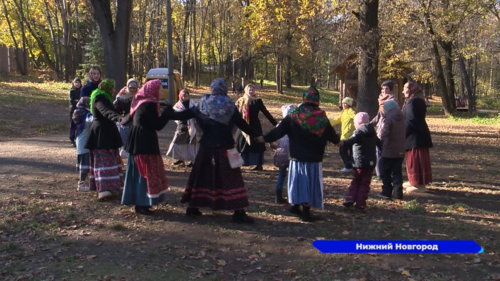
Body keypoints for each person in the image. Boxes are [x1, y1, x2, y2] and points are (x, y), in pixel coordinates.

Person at [168, 78, 260, 223]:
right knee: (233, 178)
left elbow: (183, 115)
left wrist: (165, 112)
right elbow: (242, 124)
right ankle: (238, 211)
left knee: (201, 175)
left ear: (212, 88)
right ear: (224, 88)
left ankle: (193, 207)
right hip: (228, 146)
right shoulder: (230, 104)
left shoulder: (203, 103)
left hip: (206, 147)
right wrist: (257, 136)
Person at [259, 88, 340, 222]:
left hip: (297, 157)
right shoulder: (320, 116)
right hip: (314, 157)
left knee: (298, 182)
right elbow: (330, 133)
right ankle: (306, 213)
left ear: (304, 98)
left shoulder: (294, 115)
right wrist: (338, 142)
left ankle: (295, 206)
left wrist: (264, 138)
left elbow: (279, 131)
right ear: (317, 100)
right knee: (309, 184)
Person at [121, 80, 171, 215]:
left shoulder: (140, 101)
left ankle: (141, 202)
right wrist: (167, 113)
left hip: (137, 141)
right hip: (144, 141)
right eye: (159, 89)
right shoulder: (149, 104)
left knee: (138, 171)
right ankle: (142, 203)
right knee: (145, 172)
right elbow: (157, 125)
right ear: (153, 90)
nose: (161, 92)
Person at [85, 79, 124, 200]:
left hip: (108, 132)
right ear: (107, 88)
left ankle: (112, 188)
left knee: (111, 159)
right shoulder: (99, 98)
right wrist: (118, 118)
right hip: (101, 134)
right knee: (104, 160)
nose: (114, 90)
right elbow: (105, 111)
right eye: (112, 88)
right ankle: (103, 189)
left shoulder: (106, 98)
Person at [341, 112, 379, 213]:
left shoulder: (358, 132)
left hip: (358, 162)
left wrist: (342, 143)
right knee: (365, 183)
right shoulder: (372, 132)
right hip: (370, 163)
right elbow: (379, 143)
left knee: (356, 181)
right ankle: (361, 204)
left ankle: (350, 198)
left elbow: (351, 141)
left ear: (357, 122)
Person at [236, 84, 277, 170]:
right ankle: (238, 163)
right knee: (241, 143)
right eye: (249, 90)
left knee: (257, 143)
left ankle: (258, 164)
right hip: (243, 126)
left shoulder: (257, 101)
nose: (251, 92)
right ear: (245, 90)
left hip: (255, 126)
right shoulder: (240, 101)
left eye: (252, 90)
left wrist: (275, 123)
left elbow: (266, 112)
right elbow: (235, 114)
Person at [402, 81, 433, 193]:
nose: (402, 91)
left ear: (411, 90)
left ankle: (418, 185)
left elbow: (411, 121)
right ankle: (413, 181)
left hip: (415, 137)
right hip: (418, 135)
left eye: (405, 88)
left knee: (416, 160)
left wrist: (402, 133)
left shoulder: (412, 102)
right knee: (414, 160)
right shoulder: (416, 100)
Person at [376, 100, 406, 200]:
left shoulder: (389, 119)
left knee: (386, 172)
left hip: (389, 150)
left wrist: (379, 142)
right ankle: (398, 194)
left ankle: (386, 192)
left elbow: (383, 134)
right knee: (397, 172)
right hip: (400, 149)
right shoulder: (402, 118)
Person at [370, 80, 397, 181]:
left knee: (385, 152)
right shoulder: (381, 100)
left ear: (390, 90)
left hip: (389, 129)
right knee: (379, 151)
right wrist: (368, 124)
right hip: (381, 128)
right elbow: (378, 116)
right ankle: (380, 174)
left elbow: (391, 116)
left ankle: (385, 174)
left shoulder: (393, 101)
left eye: (387, 89)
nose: (384, 90)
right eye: (383, 88)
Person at [270, 105, 294, 204]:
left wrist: (274, 145)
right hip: (292, 153)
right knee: (292, 176)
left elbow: (272, 136)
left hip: (281, 153)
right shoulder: (295, 124)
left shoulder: (280, 124)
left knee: (281, 174)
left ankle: (278, 196)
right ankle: (292, 196)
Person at [167, 89, 198, 167]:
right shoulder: (177, 105)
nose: (185, 97)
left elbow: (196, 112)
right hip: (182, 126)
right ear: (180, 96)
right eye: (183, 96)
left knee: (191, 144)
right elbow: (175, 114)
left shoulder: (193, 104)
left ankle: (193, 161)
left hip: (192, 127)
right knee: (177, 143)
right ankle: (181, 159)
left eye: (187, 95)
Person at [114, 78, 139, 158]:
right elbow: (116, 106)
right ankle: (123, 150)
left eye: (134, 88)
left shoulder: (139, 94)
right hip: (124, 117)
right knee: (123, 135)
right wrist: (120, 115)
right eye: (131, 87)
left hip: (135, 119)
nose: (132, 90)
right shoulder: (122, 94)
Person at [72, 97, 93, 192]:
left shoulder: (78, 112)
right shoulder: (85, 114)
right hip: (84, 141)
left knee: (84, 162)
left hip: (81, 140)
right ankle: (81, 184)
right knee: (84, 163)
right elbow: (91, 121)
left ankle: (84, 182)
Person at [331, 97, 356, 173]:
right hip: (344, 135)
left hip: (350, 135)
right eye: (343, 103)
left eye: (346, 103)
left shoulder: (350, 111)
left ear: (349, 104)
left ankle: (349, 166)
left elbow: (356, 117)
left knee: (344, 150)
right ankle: (350, 166)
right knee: (345, 151)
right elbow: (337, 119)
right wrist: (328, 124)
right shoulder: (343, 112)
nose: (344, 105)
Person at [68, 77, 82, 147]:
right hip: (73, 109)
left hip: (80, 109)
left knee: (79, 125)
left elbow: (83, 99)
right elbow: (72, 101)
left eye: (78, 82)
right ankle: (72, 139)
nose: (77, 84)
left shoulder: (82, 90)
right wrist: (78, 101)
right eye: (76, 82)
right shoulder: (71, 91)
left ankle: (78, 139)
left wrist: (78, 101)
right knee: (73, 125)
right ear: (73, 83)